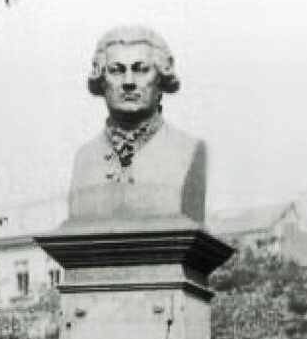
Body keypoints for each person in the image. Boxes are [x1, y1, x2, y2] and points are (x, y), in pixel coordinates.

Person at [68, 26, 206, 222]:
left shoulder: (189, 150)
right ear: (101, 79)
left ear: (161, 78)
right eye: (116, 70)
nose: (128, 81)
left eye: (141, 70)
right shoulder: (85, 157)